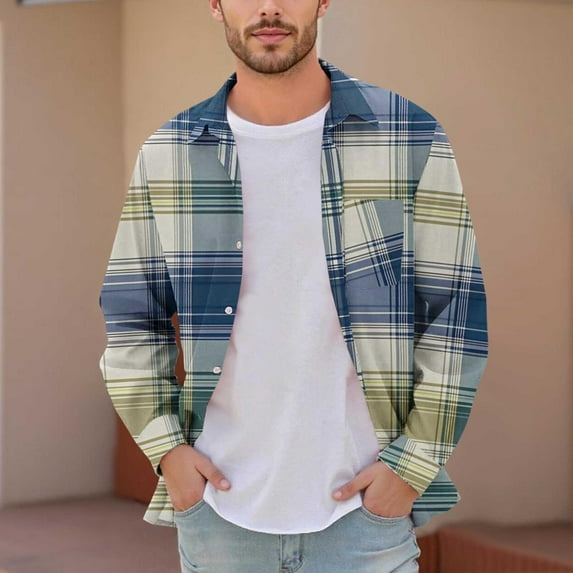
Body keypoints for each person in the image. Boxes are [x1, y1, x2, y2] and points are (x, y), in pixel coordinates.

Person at [99, 1, 489, 571]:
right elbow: (133, 317)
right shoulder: (171, 153)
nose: (269, 7)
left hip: (365, 520)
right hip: (219, 518)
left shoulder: (406, 134)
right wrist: (169, 453)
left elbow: (454, 315)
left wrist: (410, 470)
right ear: (216, 5)